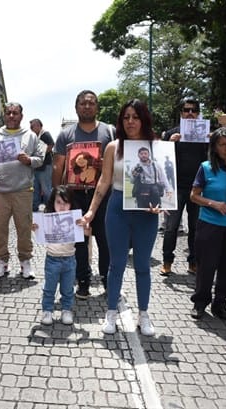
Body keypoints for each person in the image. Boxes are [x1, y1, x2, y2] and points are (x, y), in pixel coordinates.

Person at [80, 99, 161, 336]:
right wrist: (92, 210)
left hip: (146, 212)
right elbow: (104, 181)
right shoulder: (113, 147)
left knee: (143, 265)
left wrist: (163, 204)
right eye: (126, 117)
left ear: (143, 119)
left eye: (135, 116)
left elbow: (165, 181)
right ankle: (111, 312)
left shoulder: (156, 146)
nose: (130, 121)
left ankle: (144, 315)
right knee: (116, 265)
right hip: (117, 209)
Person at [52, 90, 114, 299]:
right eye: (82, 104)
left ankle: (107, 279)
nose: (87, 107)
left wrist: (108, 166)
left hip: (104, 195)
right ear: (76, 107)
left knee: (106, 240)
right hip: (75, 195)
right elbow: (58, 166)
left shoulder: (110, 132)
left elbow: (120, 162)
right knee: (78, 242)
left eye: (91, 103)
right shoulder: (66, 135)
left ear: (97, 107)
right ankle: (83, 281)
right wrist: (56, 197)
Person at [0, 102, 45, 279]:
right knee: (0, 228)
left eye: (15, 113)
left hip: (23, 190)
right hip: (0, 191)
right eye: (8, 113)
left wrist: (29, 160)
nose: (11, 116)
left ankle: (25, 261)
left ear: (21, 116)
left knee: (24, 227)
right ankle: (2, 262)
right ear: (4, 115)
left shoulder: (31, 136)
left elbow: (41, 157)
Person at [190, 128, 226, 320]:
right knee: (206, 265)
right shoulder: (206, 167)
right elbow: (194, 196)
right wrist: (213, 204)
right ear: (214, 148)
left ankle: (220, 303)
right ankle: (200, 302)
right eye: (222, 144)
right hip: (210, 224)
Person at [161, 98, 208, 275]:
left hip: (197, 187)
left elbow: (214, 158)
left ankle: (193, 262)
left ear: (198, 113)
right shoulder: (171, 134)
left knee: (196, 228)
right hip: (175, 187)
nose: (190, 113)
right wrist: (170, 143)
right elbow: (159, 156)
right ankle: (167, 261)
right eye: (186, 110)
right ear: (181, 113)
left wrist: (211, 140)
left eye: (194, 110)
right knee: (171, 227)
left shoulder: (205, 134)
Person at [35, 186, 78, 326]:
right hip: (52, 259)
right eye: (58, 202)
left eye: (66, 203)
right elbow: (38, 233)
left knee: (68, 289)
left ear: (71, 204)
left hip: (70, 259)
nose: (62, 206)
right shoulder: (47, 219)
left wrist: (85, 225)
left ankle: (66, 310)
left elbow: (88, 233)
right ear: (52, 203)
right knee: (49, 288)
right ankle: (47, 310)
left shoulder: (75, 219)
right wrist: (35, 227)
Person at [30, 119, 54, 211]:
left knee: (46, 189)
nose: (31, 128)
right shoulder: (34, 136)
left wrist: (41, 154)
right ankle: (34, 207)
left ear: (39, 126)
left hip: (45, 167)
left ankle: (49, 207)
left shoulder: (45, 134)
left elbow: (51, 144)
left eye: (32, 126)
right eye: (31, 127)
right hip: (36, 167)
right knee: (35, 189)